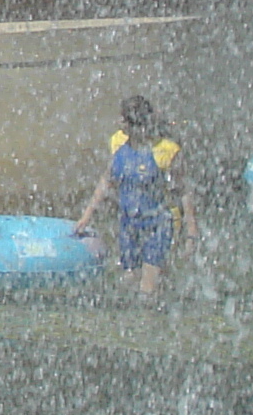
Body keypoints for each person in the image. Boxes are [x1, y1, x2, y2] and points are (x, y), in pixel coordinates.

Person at [74, 93, 191, 301]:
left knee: (147, 290)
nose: (119, 122)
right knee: (129, 280)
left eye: (123, 119)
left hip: (158, 224)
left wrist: (192, 229)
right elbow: (106, 180)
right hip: (129, 223)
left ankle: (156, 315)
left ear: (135, 123)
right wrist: (86, 216)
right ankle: (165, 293)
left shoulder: (165, 150)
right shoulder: (118, 142)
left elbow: (183, 191)